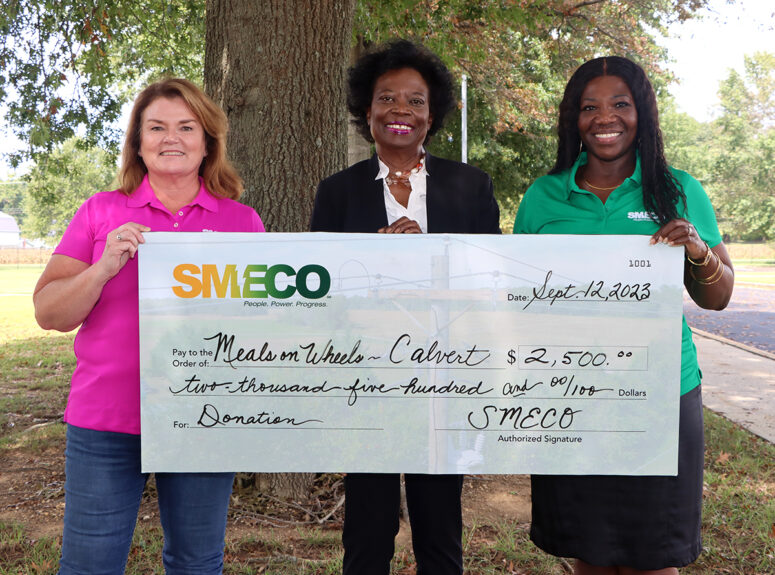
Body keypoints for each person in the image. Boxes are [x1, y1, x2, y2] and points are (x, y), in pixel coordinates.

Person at [33, 78, 264, 575]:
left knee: (197, 563)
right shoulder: (101, 211)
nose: (171, 138)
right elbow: (49, 313)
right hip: (107, 418)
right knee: (90, 563)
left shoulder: (242, 222)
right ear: (138, 142)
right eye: (156, 127)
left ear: (207, 142)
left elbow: (262, 324)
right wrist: (102, 269)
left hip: (204, 417)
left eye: (187, 127)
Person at [513, 56, 734, 575]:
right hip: (569, 392)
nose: (604, 117)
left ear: (642, 114)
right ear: (574, 118)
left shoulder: (678, 190)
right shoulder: (543, 197)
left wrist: (697, 251)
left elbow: (718, 297)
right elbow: (517, 295)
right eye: (589, 107)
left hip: (659, 393)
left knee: (654, 558)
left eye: (620, 104)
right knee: (588, 553)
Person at [311, 39, 501, 574]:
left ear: (432, 113)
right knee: (367, 532)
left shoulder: (471, 187)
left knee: (440, 532)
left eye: (415, 100)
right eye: (386, 99)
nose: (401, 111)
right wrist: (371, 266)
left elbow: (490, 282)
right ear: (365, 112)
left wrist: (430, 258)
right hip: (366, 384)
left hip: (444, 383)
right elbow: (321, 295)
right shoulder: (337, 193)